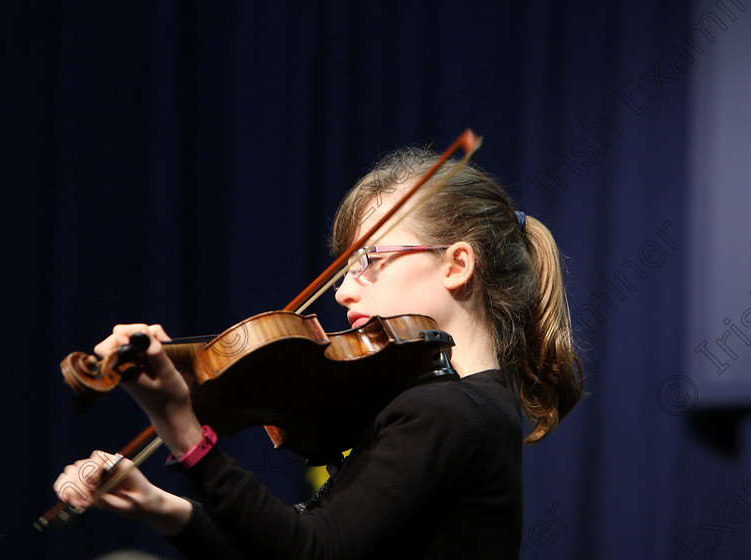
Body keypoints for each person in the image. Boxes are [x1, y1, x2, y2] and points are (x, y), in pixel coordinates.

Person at [54, 146, 584, 559]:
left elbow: (312, 553)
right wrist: (160, 506)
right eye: (346, 268)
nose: (344, 290)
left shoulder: (450, 412)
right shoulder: (466, 408)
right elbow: (291, 543)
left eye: (369, 259)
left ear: (456, 264)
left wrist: (184, 431)